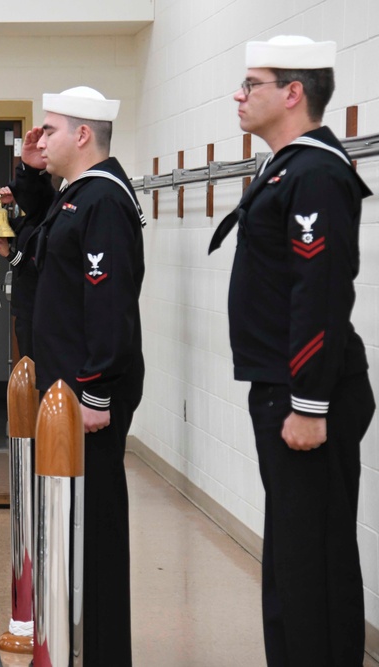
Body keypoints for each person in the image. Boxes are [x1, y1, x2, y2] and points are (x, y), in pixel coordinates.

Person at [208, 35, 373, 666]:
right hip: (283, 387)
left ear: (292, 93)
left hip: (309, 394)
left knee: (313, 564)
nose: (239, 95)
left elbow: (320, 294)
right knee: (289, 559)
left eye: (251, 84)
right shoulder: (286, 167)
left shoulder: (317, 174)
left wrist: (308, 404)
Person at [30, 86, 146, 666]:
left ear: (82, 135)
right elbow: (38, 254)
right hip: (65, 395)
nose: (39, 139)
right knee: (71, 527)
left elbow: (110, 306)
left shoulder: (103, 201)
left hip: (88, 399)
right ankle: (81, 643)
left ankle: (104, 654)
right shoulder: (76, 196)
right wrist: (31, 176)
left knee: (95, 529)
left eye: (48, 130)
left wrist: (95, 392)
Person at [0, 128, 56, 360]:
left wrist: (11, 255)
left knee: (38, 378)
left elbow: (36, 265)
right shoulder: (32, 219)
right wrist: (0, 205)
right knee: (29, 374)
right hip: (27, 307)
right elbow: (9, 227)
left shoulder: (51, 213)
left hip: (43, 309)